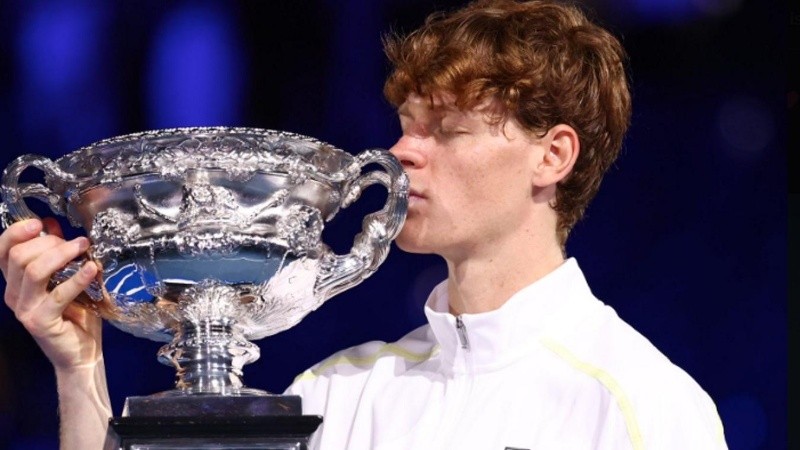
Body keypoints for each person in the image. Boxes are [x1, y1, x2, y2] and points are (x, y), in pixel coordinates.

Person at [1, 0, 726, 449]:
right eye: (406, 125)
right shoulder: (337, 394)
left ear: (552, 155)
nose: (403, 152)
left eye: (449, 130)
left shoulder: (644, 406)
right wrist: (78, 369)